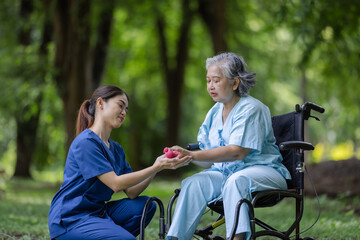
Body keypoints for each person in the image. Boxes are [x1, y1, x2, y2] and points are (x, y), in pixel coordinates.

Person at [166, 53, 291, 240]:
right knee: (193, 184)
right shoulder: (214, 112)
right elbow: (209, 161)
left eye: (216, 80)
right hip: (227, 173)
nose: (210, 86)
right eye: (208, 80)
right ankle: (176, 238)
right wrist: (184, 158)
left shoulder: (252, 109)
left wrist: (192, 155)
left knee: (237, 181)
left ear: (235, 83)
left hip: (264, 172)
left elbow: (237, 152)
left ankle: (236, 238)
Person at [48, 85, 192, 240]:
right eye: (120, 105)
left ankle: (108, 233)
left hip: (98, 213)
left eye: (126, 109)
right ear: (100, 103)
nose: (124, 112)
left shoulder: (116, 149)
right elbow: (115, 184)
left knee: (146, 206)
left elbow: (132, 192)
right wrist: (155, 167)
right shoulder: (86, 142)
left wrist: (157, 167)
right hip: (71, 219)